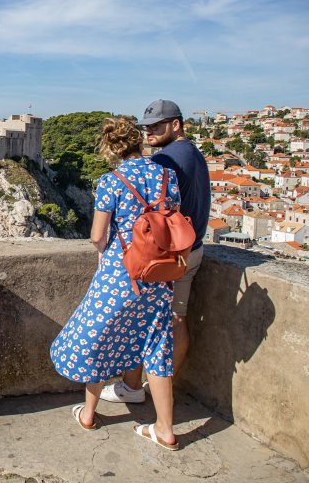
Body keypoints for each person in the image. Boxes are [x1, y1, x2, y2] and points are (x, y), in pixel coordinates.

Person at [49, 117, 181, 450]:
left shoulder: (111, 181)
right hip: (160, 275)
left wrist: (106, 249)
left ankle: (89, 414)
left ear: (111, 148)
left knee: (98, 337)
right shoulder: (168, 175)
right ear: (139, 141)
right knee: (157, 345)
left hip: (120, 276)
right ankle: (165, 429)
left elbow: (97, 236)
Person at [101, 100, 210, 404]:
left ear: (176, 125)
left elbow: (147, 215)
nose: (149, 132)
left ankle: (144, 389)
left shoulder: (165, 162)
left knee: (159, 321)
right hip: (191, 248)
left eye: (157, 126)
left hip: (167, 255)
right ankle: (143, 386)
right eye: (146, 127)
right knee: (173, 318)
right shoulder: (194, 154)